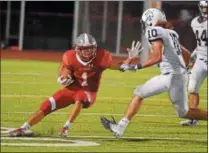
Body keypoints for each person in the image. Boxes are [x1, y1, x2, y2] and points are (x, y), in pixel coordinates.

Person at [8, 33, 143, 137]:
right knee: (47, 104)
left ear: (95, 48)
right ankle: (23, 128)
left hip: (89, 92)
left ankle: (66, 127)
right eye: (84, 49)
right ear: (77, 49)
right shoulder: (70, 56)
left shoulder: (102, 57)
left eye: (90, 48)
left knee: (80, 98)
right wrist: (62, 77)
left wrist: (130, 58)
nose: (88, 52)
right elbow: (64, 68)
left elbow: (119, 66)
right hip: (72, 88)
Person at [100, 8, 208, 137]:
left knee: (139, 93)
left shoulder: (153, 31)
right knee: (183, 113)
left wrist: (137, 66)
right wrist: (184, 68)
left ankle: (120, 127)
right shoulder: (170, 33)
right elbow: (187, 54)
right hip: (178, 76)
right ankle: (120, 127)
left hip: (170, 76)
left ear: (150, 20)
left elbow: (157, 57)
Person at [180, 1, 208, 126]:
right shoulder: (195, 22)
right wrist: (193, 56)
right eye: (203, 7)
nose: (205, 9)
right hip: (201, 57)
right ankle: (193, 119)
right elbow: (200, 43)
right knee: (192, 88)